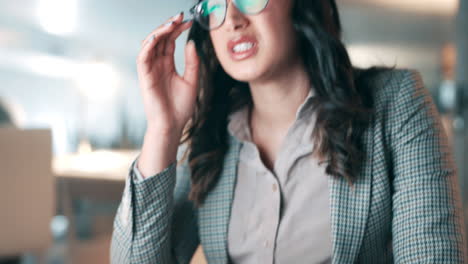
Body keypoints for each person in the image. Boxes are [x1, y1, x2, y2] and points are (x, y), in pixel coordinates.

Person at [110, 0, 467, 263]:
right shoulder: (211, 135)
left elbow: (432, 255)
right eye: (213, 5)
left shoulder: (396, 101)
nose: (232, 18)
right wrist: (164, 130)